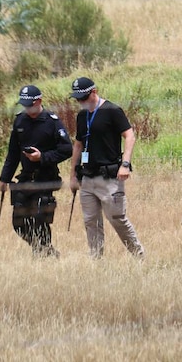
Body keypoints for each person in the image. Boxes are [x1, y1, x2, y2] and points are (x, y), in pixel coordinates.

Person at [68, 77, 144, 258]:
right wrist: (72, 175)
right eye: (78, 99)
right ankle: (96, 259)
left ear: (94, 92)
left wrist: (125, 164)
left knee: (117, 219)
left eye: (84, 98)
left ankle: (139, 255)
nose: (81, 102)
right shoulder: (81, 116)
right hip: (87, 177)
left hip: (109, 177)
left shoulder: (112, 110)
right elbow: (78, 145)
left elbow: (130, 136)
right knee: (90, 221)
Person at [0, 85, 73, 257]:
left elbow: (66, 149)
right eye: (24, 105)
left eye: (29, 105)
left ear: (39, 101)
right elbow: (13, 154)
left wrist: (42, 157)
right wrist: (4, 178)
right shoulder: (19, 121)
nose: (27, 109)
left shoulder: (52, 122)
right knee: (18, 223)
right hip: (25, 179)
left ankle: (43, 252)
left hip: (46, 178)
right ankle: (43, 250)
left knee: (39, 219)